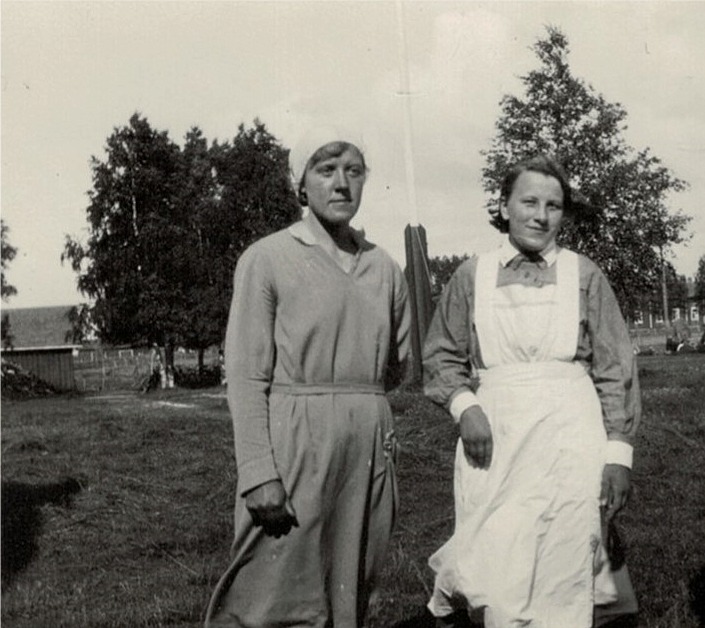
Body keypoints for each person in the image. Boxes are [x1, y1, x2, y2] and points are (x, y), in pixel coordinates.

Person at [205, 130, 411, 628]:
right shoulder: (268, 258)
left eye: (354, 171)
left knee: (350, 589)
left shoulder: (383, 267)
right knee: (273, 595)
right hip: (294, 441)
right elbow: (248, 375)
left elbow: (398, 365)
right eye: (326, 170)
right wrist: (258, 471)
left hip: (367, 445)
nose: (342, 184)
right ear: (301, 184)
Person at [423, 155, 640, 627]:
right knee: (497, 556)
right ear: (503, 207)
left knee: (566, 556)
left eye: (554, 206)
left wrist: (617, 454)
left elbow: (613, 367)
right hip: (496, 436)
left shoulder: (584, 275)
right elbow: (440, 356)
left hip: (570, 433)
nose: (541, 216)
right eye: (529, 202)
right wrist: (466, 408)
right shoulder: (471, 275)